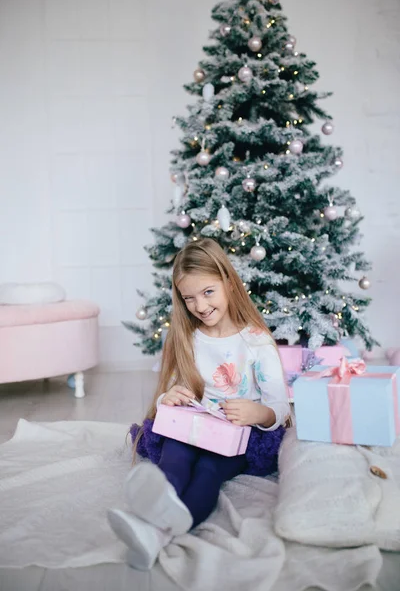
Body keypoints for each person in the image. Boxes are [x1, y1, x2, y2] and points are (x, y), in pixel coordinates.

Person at [108, 238, 290, 570]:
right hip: (194, 423)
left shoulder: (255, 341)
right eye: (189, 298)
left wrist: (257, 412)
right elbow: (172, 389)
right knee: (175, 458)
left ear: (229, 283)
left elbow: (280, 406)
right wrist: (169, 397)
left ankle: (157, 533)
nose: (200, 306)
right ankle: (152, 515)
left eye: (208, 292)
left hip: (237, 433)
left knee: (207, 470)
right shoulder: (188, 338)